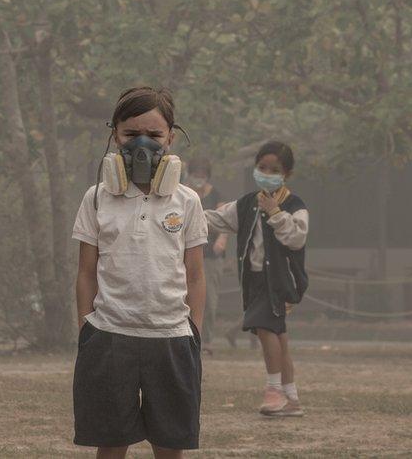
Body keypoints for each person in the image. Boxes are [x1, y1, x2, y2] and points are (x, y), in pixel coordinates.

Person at [72, 86, 207, 458]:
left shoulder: (188, 200)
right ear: (114, 135)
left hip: (173, 337)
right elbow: (86, 271)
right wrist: (87, 328)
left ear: (171, 138)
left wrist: (194, 331)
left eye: (154, 135)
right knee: (111, 441)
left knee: (170, 443)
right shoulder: (97, 197)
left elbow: (194, 274)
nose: (142, 144)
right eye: (131, 135)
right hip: (109, 334)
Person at [205, 140, 308, 417]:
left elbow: (296, 239)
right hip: (254, 279)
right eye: (262, 167)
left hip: (279, 280)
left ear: (286, 173)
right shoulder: (248, 203)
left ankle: (273, 390)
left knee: (265, 330)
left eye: (273, 169)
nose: (266, 173)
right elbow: (215, 219)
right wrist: (183, 215)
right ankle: (291, 396)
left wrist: (275, 212)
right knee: (279, 336)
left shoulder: (294, 205)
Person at [185, 157, 226, 354]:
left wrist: (221, 241)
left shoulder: (216, 194)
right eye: (196, 175)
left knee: (209, 299)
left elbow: (224, 220)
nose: (199, 179)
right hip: (186, 253)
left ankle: (206, 339)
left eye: (202, 176)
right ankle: (186, 337)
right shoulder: (183, 193)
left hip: (210, 255)